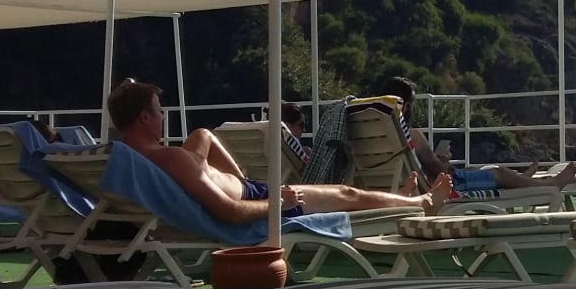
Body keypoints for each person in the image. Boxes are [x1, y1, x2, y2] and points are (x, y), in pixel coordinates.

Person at [107, 78, 449, 223]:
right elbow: (231, 212)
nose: (163, 116)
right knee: (347, 193)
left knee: (201, 134)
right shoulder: (172, 158)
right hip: (258, 201)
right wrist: (279, 204)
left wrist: (203, 141)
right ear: (145, 117)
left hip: (249, 190)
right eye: (159, 110)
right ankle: (420, 202)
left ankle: (399, 199)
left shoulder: (123, 159)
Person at [380, 78, 576, 197]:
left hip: (402, 188)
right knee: (499, 172)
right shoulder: (413, 135)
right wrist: (444, 162)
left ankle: (521, 180)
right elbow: (440, 171)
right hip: (444, 188)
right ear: (405, 105)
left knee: (486, 172)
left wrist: (439, 162)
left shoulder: (378, 136)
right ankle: (548, 185)